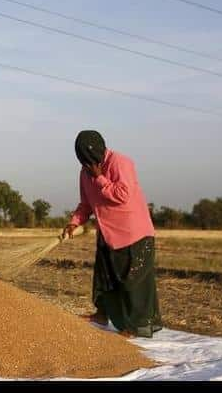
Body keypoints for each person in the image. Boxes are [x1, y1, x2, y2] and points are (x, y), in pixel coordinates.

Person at [62, 130, 163, 338]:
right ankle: (102, 314)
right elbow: (86, 203)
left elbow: (122, 195)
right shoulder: (85, 173)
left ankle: (135, 327)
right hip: (108, 234)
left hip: (133, 234)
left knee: (133, 283)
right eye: (83, 161)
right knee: (104, 279)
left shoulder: (120, 163)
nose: (87, 165)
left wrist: (99, 177)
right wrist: (74, 223)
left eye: (90, 160)